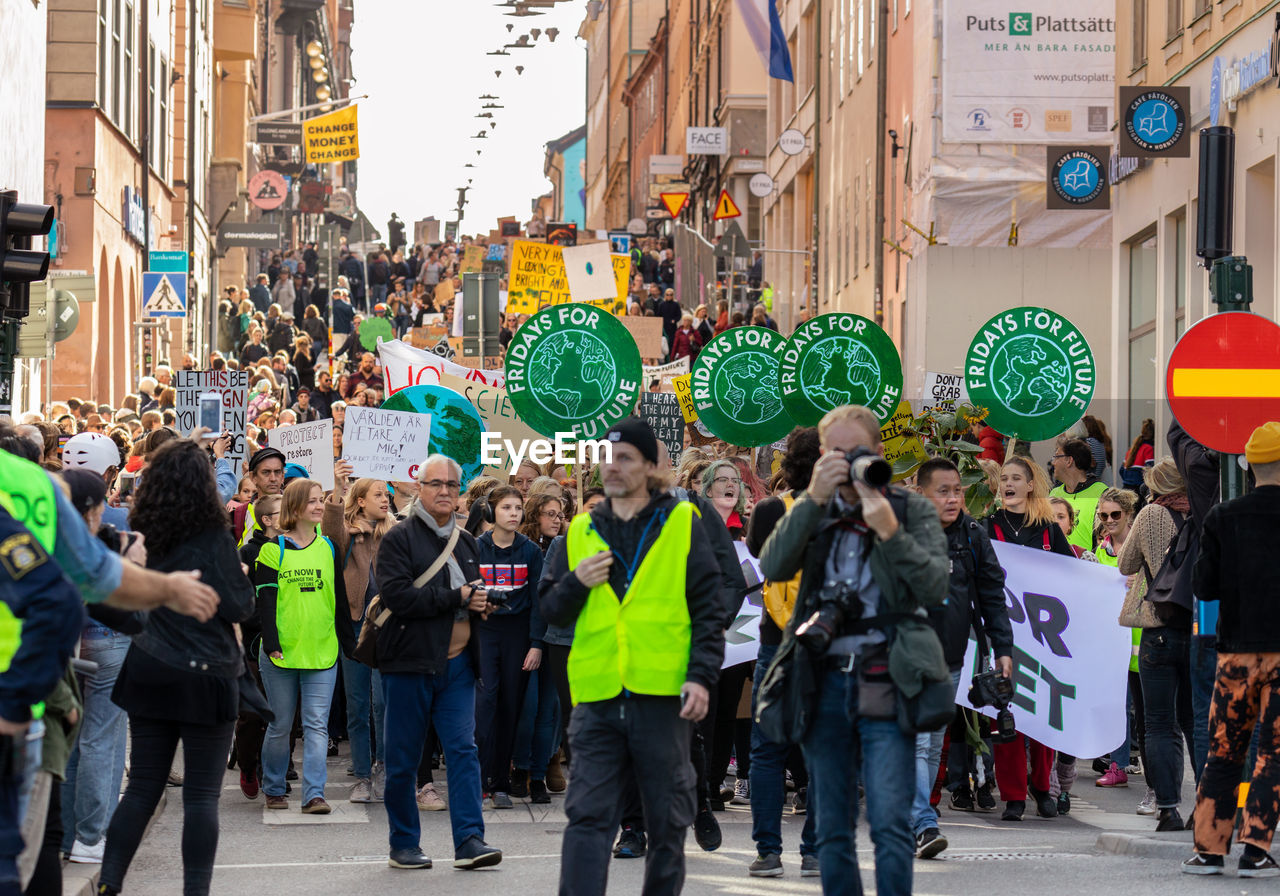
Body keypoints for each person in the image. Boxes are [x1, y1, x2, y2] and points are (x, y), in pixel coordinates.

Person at [758, 405, 948, 896]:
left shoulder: (909, 508)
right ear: (821, 457)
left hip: (888, 673)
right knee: (833, 827)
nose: (847, 462)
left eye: (857, 452)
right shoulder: (812, 509)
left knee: (888, 820)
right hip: (823, 678)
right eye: (835, 453)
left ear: (880, 454)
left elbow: (932, 587)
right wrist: (811, 501)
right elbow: (773, 565)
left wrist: (888, 529)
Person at [542, 418, 722, 896]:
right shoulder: (580, 530)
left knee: (667, 825)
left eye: (624, 458)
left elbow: (709, 606)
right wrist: (576, 581)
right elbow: (551, 609)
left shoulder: (682, 522)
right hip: (597, 696)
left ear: (648, 467)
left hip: (661, 696)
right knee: (587, 818)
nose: (611, 466)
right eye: (606, 457)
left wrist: (701, 676)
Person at [96, 440, 254, 896]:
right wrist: (239, 578)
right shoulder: (215, 538)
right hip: (207, 673)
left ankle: (109, 882)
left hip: (150, 663)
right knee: (201, 797)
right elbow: (241, 608)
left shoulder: (143, 532)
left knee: (144, 788)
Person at [374, 455, 502, 871]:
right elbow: (398, 598)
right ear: (419, 486)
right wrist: (458, 598)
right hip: (410, 664)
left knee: (464, 751)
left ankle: (469, 840)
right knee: (404, 758)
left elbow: (469, 593)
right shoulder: (399, 538)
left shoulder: (467, 541)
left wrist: (480, 601)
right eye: (436, 484)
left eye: (452, 484)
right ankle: (404, 844)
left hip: (459, 666)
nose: (445, 490)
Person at [1182, 422, 1280, 877]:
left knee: (1224, 750)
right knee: (1273, 753)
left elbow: (1204, 585)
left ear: (1249, 465)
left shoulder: (1223, 517)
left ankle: (1208, 848)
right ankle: (1256, 847)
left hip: (1235, 655)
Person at [911, 457, 1012, 858]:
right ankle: (923, 824)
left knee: (933, 744)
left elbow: (992, 595)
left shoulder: (973, 535)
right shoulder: (900, 533)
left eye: (957, 490)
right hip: (907, 658)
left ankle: (916, 819)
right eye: (944, 491)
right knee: (920, 744)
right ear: (922, 493)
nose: (954, 498)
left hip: (951, 659)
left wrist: (1002, 648)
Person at [744, 427, 820, 878]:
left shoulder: (772, 508)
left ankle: (768, 851)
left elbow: (756, 552)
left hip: (777, 640)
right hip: (827, 646)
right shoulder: (845, 509)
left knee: (767, 751)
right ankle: (814, 851)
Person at [254, 478, 354, 815]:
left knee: (316, 725)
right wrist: (271, 644)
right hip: (281, 653)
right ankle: (274, 786)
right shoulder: (272, 549)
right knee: (281, 725)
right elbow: (265, 603)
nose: (318, 506)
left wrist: (349, 643)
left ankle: (314, 794)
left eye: (320, 500)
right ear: (295, 507)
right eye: (312, 501)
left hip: (322, 651)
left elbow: (339, 599)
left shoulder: (329, 547)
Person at [986, 455, 1073, 821]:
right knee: (1005, 715)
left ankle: (1041, 787)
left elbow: (1074, 575)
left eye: (1016, 478)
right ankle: (1013, 796)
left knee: (1041, 717)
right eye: (1004, 478)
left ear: (1030, 485)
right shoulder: (986, 525)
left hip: (1042, 640)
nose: (1008, 483)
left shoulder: (1048, 528)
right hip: (1002, 636)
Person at [1118, 458, 1196, 832]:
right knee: (1196, 721)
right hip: (1198, 628)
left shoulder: (1150, 514)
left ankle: (1167, 808)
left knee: (1160, 723)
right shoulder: (1205, 509)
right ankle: (1209, 806)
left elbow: (1125, 563)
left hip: (1157, 628)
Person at [474, 486, 546, 807]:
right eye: (506, 508)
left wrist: (536, 644)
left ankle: (501, 781)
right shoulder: (476, 548)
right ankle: (479, 779)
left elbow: (538, 603)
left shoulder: (530, 551)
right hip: (485, 633)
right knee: (484, 705)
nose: (514, 513)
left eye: (518, 508)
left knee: (509, 708)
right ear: (491, 513)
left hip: (518, 635)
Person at [1090, 488, 1145, 792]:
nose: (1109, 520)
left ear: (1128, 515)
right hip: (1110, 638)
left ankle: (1155, 769)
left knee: (1145, 711)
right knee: (1118, 705)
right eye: (1104, 515)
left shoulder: (1141, 545)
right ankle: (1118, 765)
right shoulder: (1100, 549)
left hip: (1139, 635)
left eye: (1115, 515)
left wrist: (1139, 579)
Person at [1049, 438, 1107, 553]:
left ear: (1069, 461)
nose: (1053, 462)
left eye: (1056, 457)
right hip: (1055, 562)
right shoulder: (1054, 494)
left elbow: (1106, 538)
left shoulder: (1101, 493)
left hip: (1087, 565)